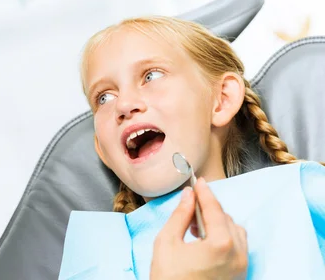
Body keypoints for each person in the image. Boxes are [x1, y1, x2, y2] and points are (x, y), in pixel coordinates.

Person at [58, 16, 325, 279]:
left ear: (221, 100)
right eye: (104, 97)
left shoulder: (301, 191)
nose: (124, 105)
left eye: (151, 75)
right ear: (103, 152)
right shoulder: (92, 251)